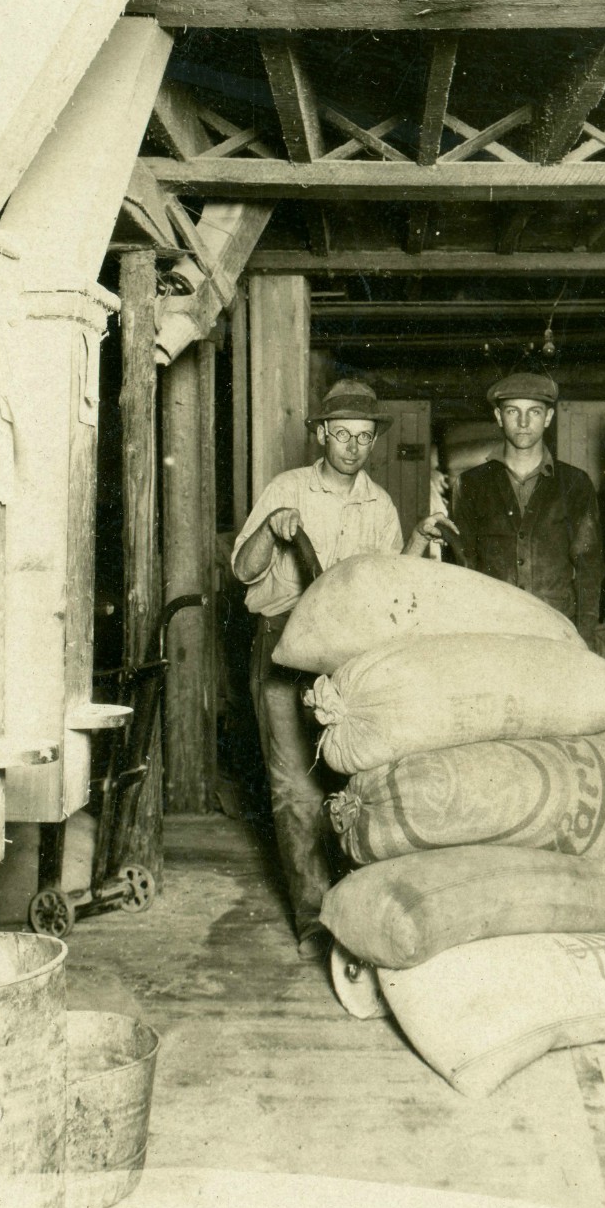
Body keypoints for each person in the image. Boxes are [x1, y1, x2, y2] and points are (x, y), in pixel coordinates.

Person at [232, 379, 419, 953]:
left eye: (364, 437)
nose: (354, 447)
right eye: (342, 434)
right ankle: (314, 917)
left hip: (349, 658)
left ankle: (357, 909)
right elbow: (242, 570)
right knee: (294, 786)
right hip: (284, 642)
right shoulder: (287, 488)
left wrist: (415, 547)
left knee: (357, 779)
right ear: (320, 434)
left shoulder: (380, 504)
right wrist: (272, 527)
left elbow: (388, 592)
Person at [419, 372, 605, 646]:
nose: (523, 422)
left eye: (534, 412)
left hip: (556, 631)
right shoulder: (471, 484)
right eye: (512, 411)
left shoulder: (575, 483)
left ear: (549, 418)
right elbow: (462, 568)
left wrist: (585, 638)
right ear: (498, 417)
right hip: (493, 630)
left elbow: (589, 569)